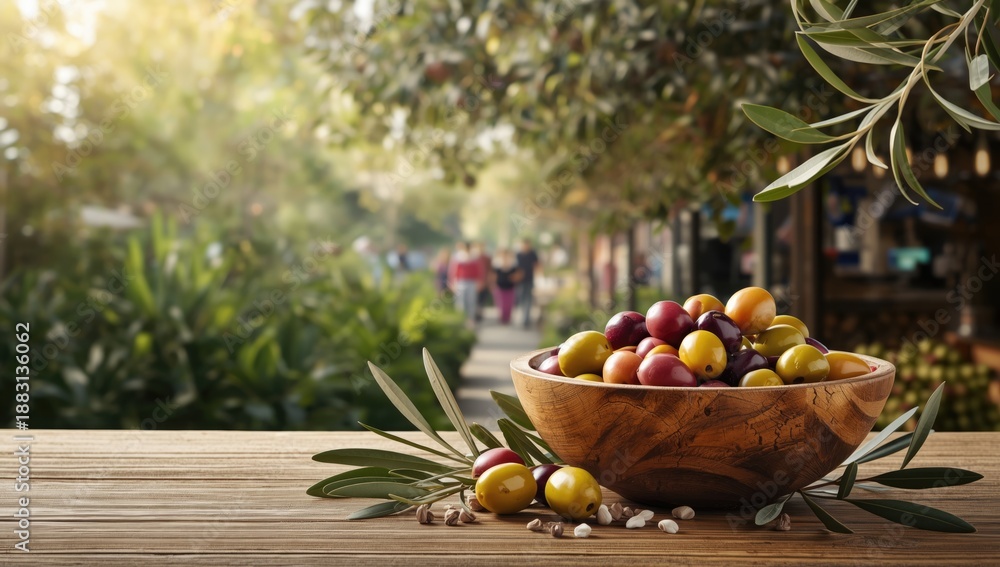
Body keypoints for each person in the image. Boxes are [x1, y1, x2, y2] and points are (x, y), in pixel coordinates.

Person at [448, 242, 482, 328]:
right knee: (460, 302)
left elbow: (477, 271)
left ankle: (471, 320)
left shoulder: (474, 258)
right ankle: (461, 319)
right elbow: (454, 271)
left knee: (471, 301)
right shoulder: (458, 257)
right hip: (461, 281)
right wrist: (453, 283)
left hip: (471, 282)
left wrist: (479, 282)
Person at [491, 249, 521, 325]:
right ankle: (502, 318)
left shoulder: (513, 266)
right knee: (501, 305)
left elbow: (518, 275)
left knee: (509, 305)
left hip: (510, 287)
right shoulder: (497, 266)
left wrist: (514, 278)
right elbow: (493, 276)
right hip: (500, 287)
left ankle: (508, 318)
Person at [515, 238, 539, 328]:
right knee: (521, 299)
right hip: (520, 281)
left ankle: (526, 319)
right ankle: (523, 317)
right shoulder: (518, 254)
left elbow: (537, 265)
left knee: (528, 299)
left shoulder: (532, 253)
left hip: (529, 279)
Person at [472, 242, 491, 322]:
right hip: (474, 283)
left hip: (485, 282)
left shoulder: (487, 258)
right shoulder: (472, 258)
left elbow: (490, 270)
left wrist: (489, 282)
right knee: (474, 299)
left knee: (482, 299)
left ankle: (479, 314)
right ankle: (474, 314)